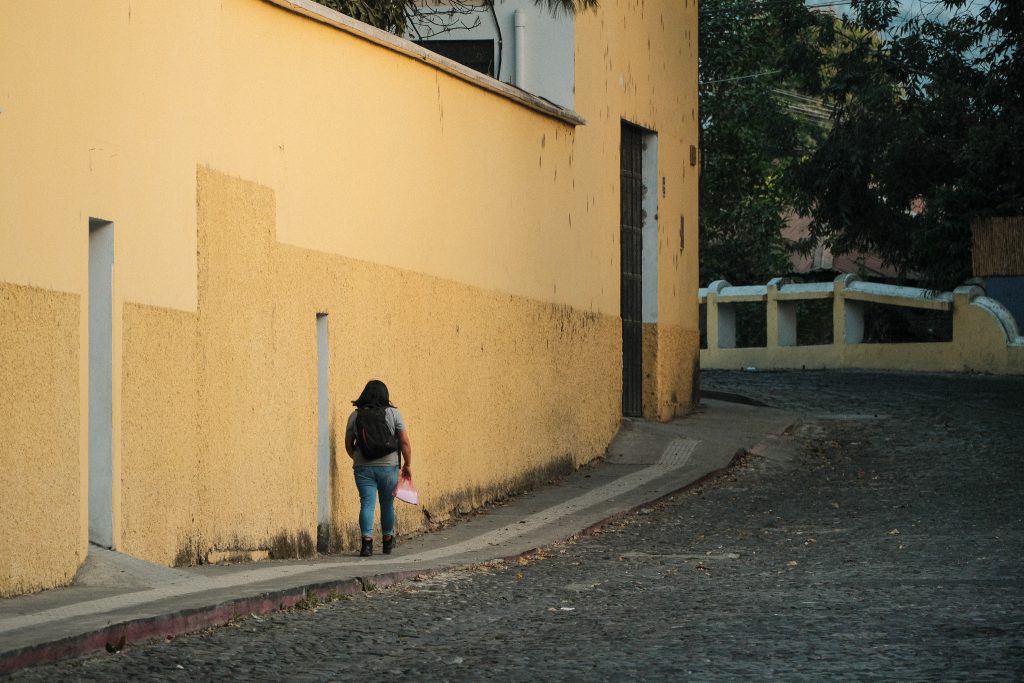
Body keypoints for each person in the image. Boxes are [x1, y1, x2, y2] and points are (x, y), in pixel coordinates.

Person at [344, 379, 412, 557]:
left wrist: (359, 460)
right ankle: (387, 540)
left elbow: (348, 444)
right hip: (389, 467)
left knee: (367, 504)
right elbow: (404, 442)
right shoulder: (393, 414)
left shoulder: (355, 416)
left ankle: (366, 543)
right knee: (387, 504)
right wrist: (407, 464)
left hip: (363, 468)